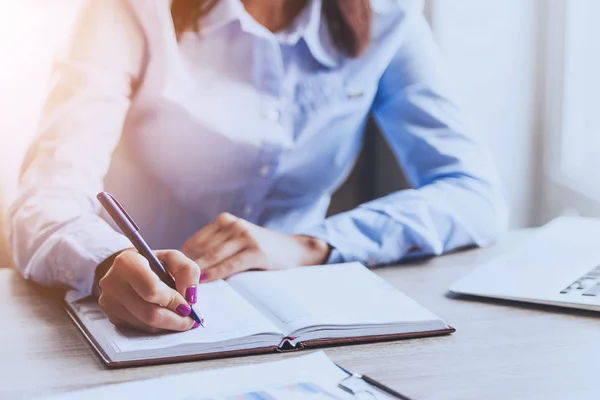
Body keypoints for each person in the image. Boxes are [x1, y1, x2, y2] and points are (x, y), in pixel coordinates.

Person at [8, 0, 507, 333]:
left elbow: (472, 193)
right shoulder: (132, 10)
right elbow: (45, 196)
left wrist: (312, 246)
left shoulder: (386, 16)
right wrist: (105, 261)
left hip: (298, 320)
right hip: (140, 320)